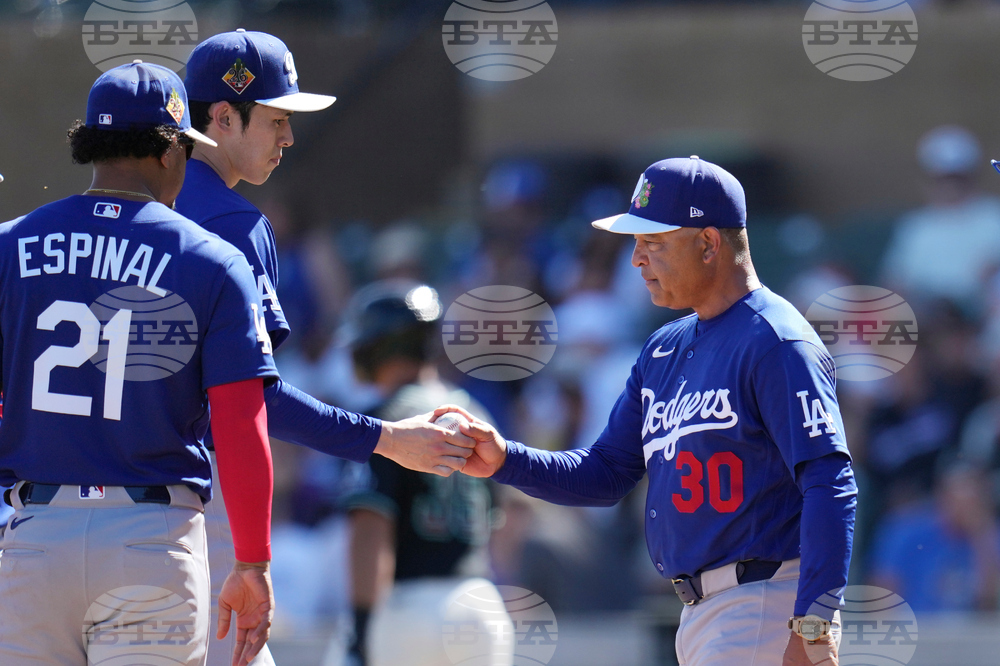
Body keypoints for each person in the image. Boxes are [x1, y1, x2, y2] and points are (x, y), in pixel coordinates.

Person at [446, 157, 858, 666]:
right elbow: (605, 473)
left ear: (708, 243)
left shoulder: (776, 341)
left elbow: (830, 482)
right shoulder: (664, 348)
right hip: (702, 613)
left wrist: (814, 624)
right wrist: (505, 458)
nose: (637, 259)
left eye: (653, 242)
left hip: (765, 602)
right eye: (636, 243)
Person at [175, 30, 475, 666]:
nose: (288, 137)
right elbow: (253, 398)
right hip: (194, 502)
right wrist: (387, 439)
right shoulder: (233, 223)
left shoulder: (117, 216)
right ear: (223, 117)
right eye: (276, 119)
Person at [0, 62, 276, 666]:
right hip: (151, 542)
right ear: (169, 150)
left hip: (34, 538)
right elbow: (241, 422)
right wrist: (251, 561)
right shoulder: (213, 260)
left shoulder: (8, 245)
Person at [332, 281, 510, 666]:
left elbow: (370, 529)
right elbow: (503, 523)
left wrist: (361, 630)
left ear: (379, 345)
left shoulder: (384, 423)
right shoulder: (477, 415)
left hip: (409, 610)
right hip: (482, 604)